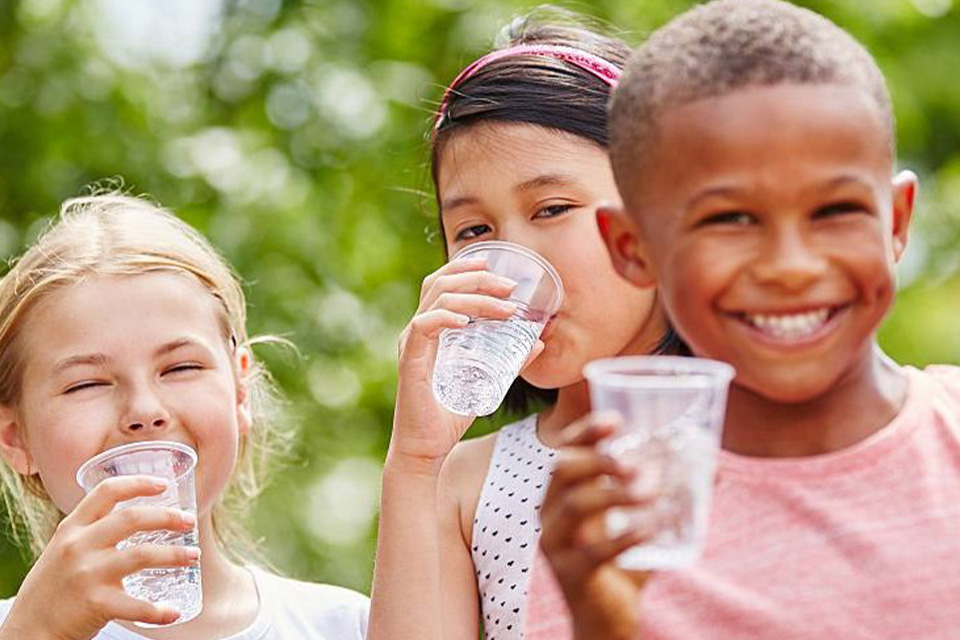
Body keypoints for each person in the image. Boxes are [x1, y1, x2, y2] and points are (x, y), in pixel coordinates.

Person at [523, 1, 960, 638]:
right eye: (730, 219)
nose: (790, 266)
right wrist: (601, 623)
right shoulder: (619, 526)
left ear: (895, 220)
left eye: (835, 210)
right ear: (632, 247)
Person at [367, 11, 685, 640]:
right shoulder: (463, 482)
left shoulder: (754, 429)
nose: (516, 263)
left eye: (552, 208)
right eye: (474, 232)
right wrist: (414, 460)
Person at [0, 194, 369, 640]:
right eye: (87, 384)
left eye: (180, 368)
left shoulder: (348, 625)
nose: (144, 412)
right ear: (14, 438)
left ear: (239, 392)